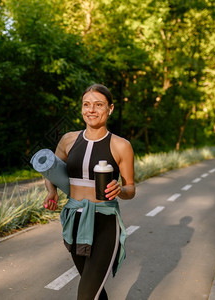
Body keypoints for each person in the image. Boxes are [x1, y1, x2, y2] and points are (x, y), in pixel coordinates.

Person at [43, 83, 136, 299]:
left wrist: (120, 189)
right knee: (93, 289)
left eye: (98, 104)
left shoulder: (121, 145)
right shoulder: (68, 140)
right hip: (74, 221)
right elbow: (51, 171)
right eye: (86, 104)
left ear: (110, 109)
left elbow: (130, 188)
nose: (91, 110)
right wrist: (51, 192)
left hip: (104, 222)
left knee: (86, 294)